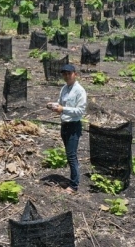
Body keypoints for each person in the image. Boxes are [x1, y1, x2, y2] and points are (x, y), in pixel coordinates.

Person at [47, 64, 87, 193]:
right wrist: (54, 106)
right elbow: (61, 104)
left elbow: (80, 111)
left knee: (72, 156)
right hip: (64, 125)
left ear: (75, 74)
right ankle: (72, 180)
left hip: (73, 126)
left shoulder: (80, 91)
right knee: (69, 154)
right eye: (64, 74)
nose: (67, 76)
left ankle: (74, 185)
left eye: (69, 73)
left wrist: (63, 109)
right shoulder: (64, 88)